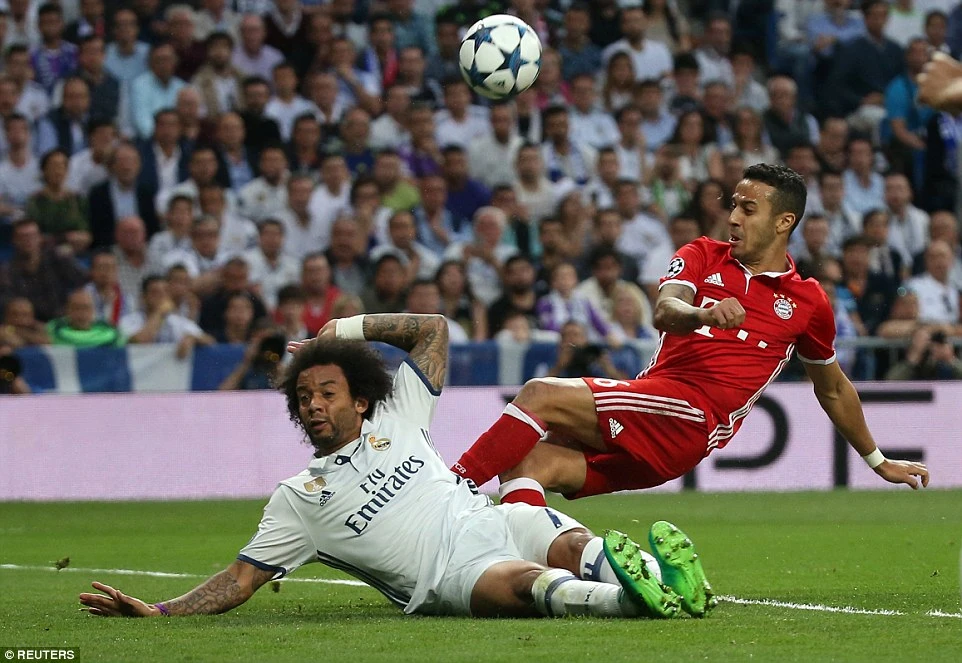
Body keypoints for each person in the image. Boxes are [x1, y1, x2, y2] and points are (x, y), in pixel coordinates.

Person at [79, 312, 714, 620]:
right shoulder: (299, 497)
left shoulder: (396, 415)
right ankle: (633, 601)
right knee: (528, 583)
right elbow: (241, 580)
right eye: (304, 398)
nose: (313, 404)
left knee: (570, 543)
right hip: (449, 574)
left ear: (360, 398)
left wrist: (341, 329)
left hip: (490, 518)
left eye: (326, 392)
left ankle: (670, 582)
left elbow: (433, 330)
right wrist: (161, 612)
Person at [450, 164, 930, 506]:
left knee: (540, 394)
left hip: (693, 419)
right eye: (734, 206)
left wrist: (877, 460)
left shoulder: (808, 301)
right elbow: (666, 310)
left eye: (749, 209)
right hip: (655, 406)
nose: (734, 217)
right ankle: (548, 573)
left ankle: (444, 495)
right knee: (526, 464)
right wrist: (704, 314)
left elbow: (834, 388)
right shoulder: (702, 253)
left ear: (784, 221)